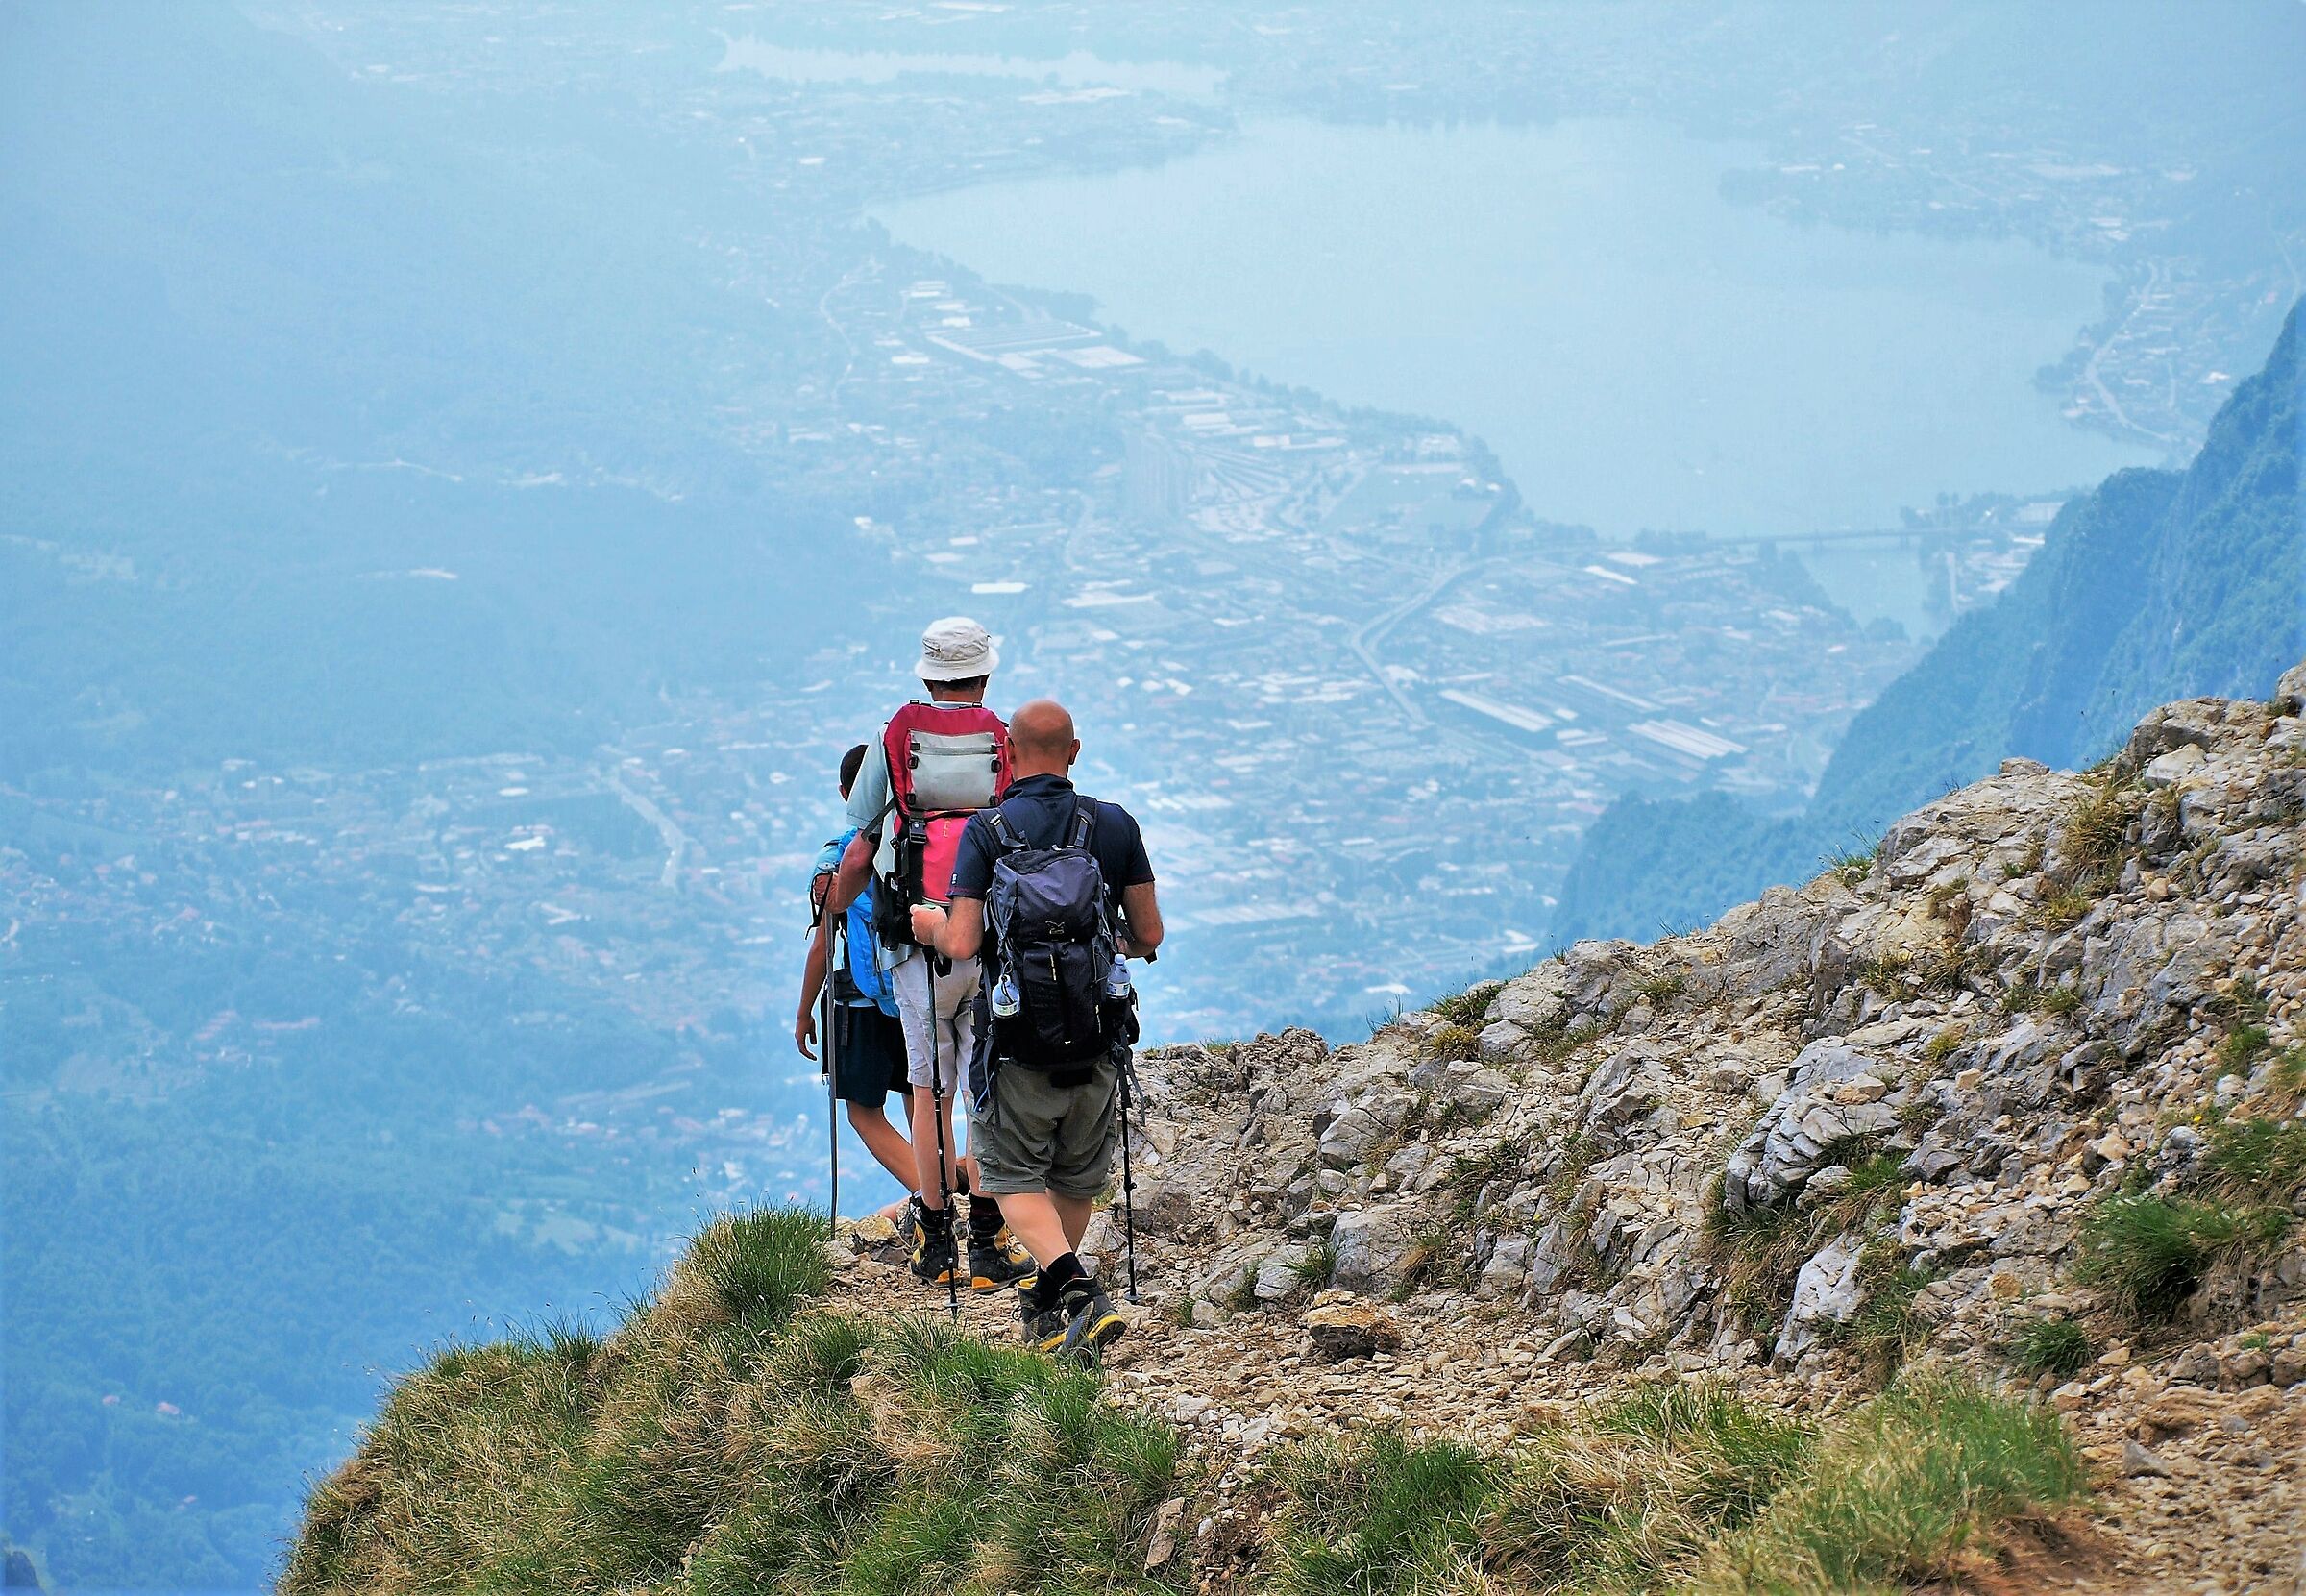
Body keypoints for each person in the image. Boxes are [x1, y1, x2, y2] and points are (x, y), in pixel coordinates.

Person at [913, 698, 1163, 1364]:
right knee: (1074, 1178)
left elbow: (962, 941)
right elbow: (1149, 933)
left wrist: (929, 925)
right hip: (1097, 1036)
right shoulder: (1113, 825)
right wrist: (1100, 944)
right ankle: (1050, 1304)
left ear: (1008, 754)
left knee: (1011, 1176)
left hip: (1017, 1042)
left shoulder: (988, 831)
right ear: (1074, 752)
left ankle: (1078, 1290)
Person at [826, 618, 1035, 1293]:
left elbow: (862, 843)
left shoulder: (895, 735)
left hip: (914, 943)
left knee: (929, 1090)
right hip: (989, 939)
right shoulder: (1003, 738)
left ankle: (936, 1240)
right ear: (984, 675)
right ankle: (990, 1243)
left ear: (927, 676)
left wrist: (835, 901)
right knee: (985, 1087)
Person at [794, 743, 914, 1223]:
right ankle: (945, 1185)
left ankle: (936, 1196)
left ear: (848, 794)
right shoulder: (920, 846)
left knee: (864, 1113)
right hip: (919, 989)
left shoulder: (837, 858)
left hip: (861, 998)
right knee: (924, 1098)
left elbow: (823, 945)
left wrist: (804, 1012)